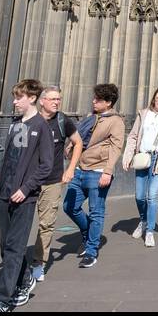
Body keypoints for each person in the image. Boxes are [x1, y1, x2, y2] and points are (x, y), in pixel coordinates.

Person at [0, 79, 55, 312]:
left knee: (15, 248)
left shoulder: (42, 126)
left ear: (32, 98)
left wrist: (26, 188)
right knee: (5, 246)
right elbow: (8, 155)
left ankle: (2, 301)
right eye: (15, 97)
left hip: (24, 197)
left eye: (19, 97)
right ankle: (25, 279)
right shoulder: (16, 125)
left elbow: (46, 166)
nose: (15, 101)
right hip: (5, 192)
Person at [63, 82, 125, 268]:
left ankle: (91, 250)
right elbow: (79, 137)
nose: (94, 101)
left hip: (98, 171)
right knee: (69, 206)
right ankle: (89, 230)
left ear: (108, 102)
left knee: (96, 211)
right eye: (95, 98)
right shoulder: (90, 117)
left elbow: (116, 147)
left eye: (98, 100)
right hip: (80, 168)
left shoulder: (116, 121)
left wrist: (108, 171)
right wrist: (70, 147)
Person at [30, 85, 82, 283]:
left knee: (47, 223)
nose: (56, 102)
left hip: (52, 180)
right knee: (21, 222)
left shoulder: (62, 121)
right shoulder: (30, 120)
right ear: (41, 101)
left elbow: (78, 142)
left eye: (58, 99)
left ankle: (38, 262)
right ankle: (14, 257)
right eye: (52, 99)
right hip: (28, 180)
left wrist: (70, 169)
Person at [123, 86, 158, 248]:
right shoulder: (143, 114)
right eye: (157, 98)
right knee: (140, 196)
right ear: (154, 98)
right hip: (142, 157)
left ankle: (150, 231)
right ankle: (143, 220)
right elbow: (133, 136)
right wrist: (127, 156)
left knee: (152, 196)